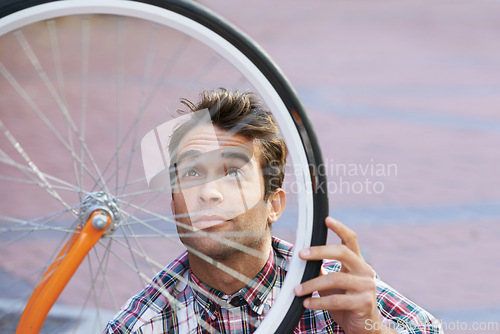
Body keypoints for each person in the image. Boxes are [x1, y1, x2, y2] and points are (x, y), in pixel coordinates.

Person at [105, 88, 442, 333]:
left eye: (233, 173)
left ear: (274, 205)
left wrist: (371, 331)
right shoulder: (140, 326)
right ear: (174, 203)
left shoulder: (333, 291)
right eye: (192, 174)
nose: (208, 193)